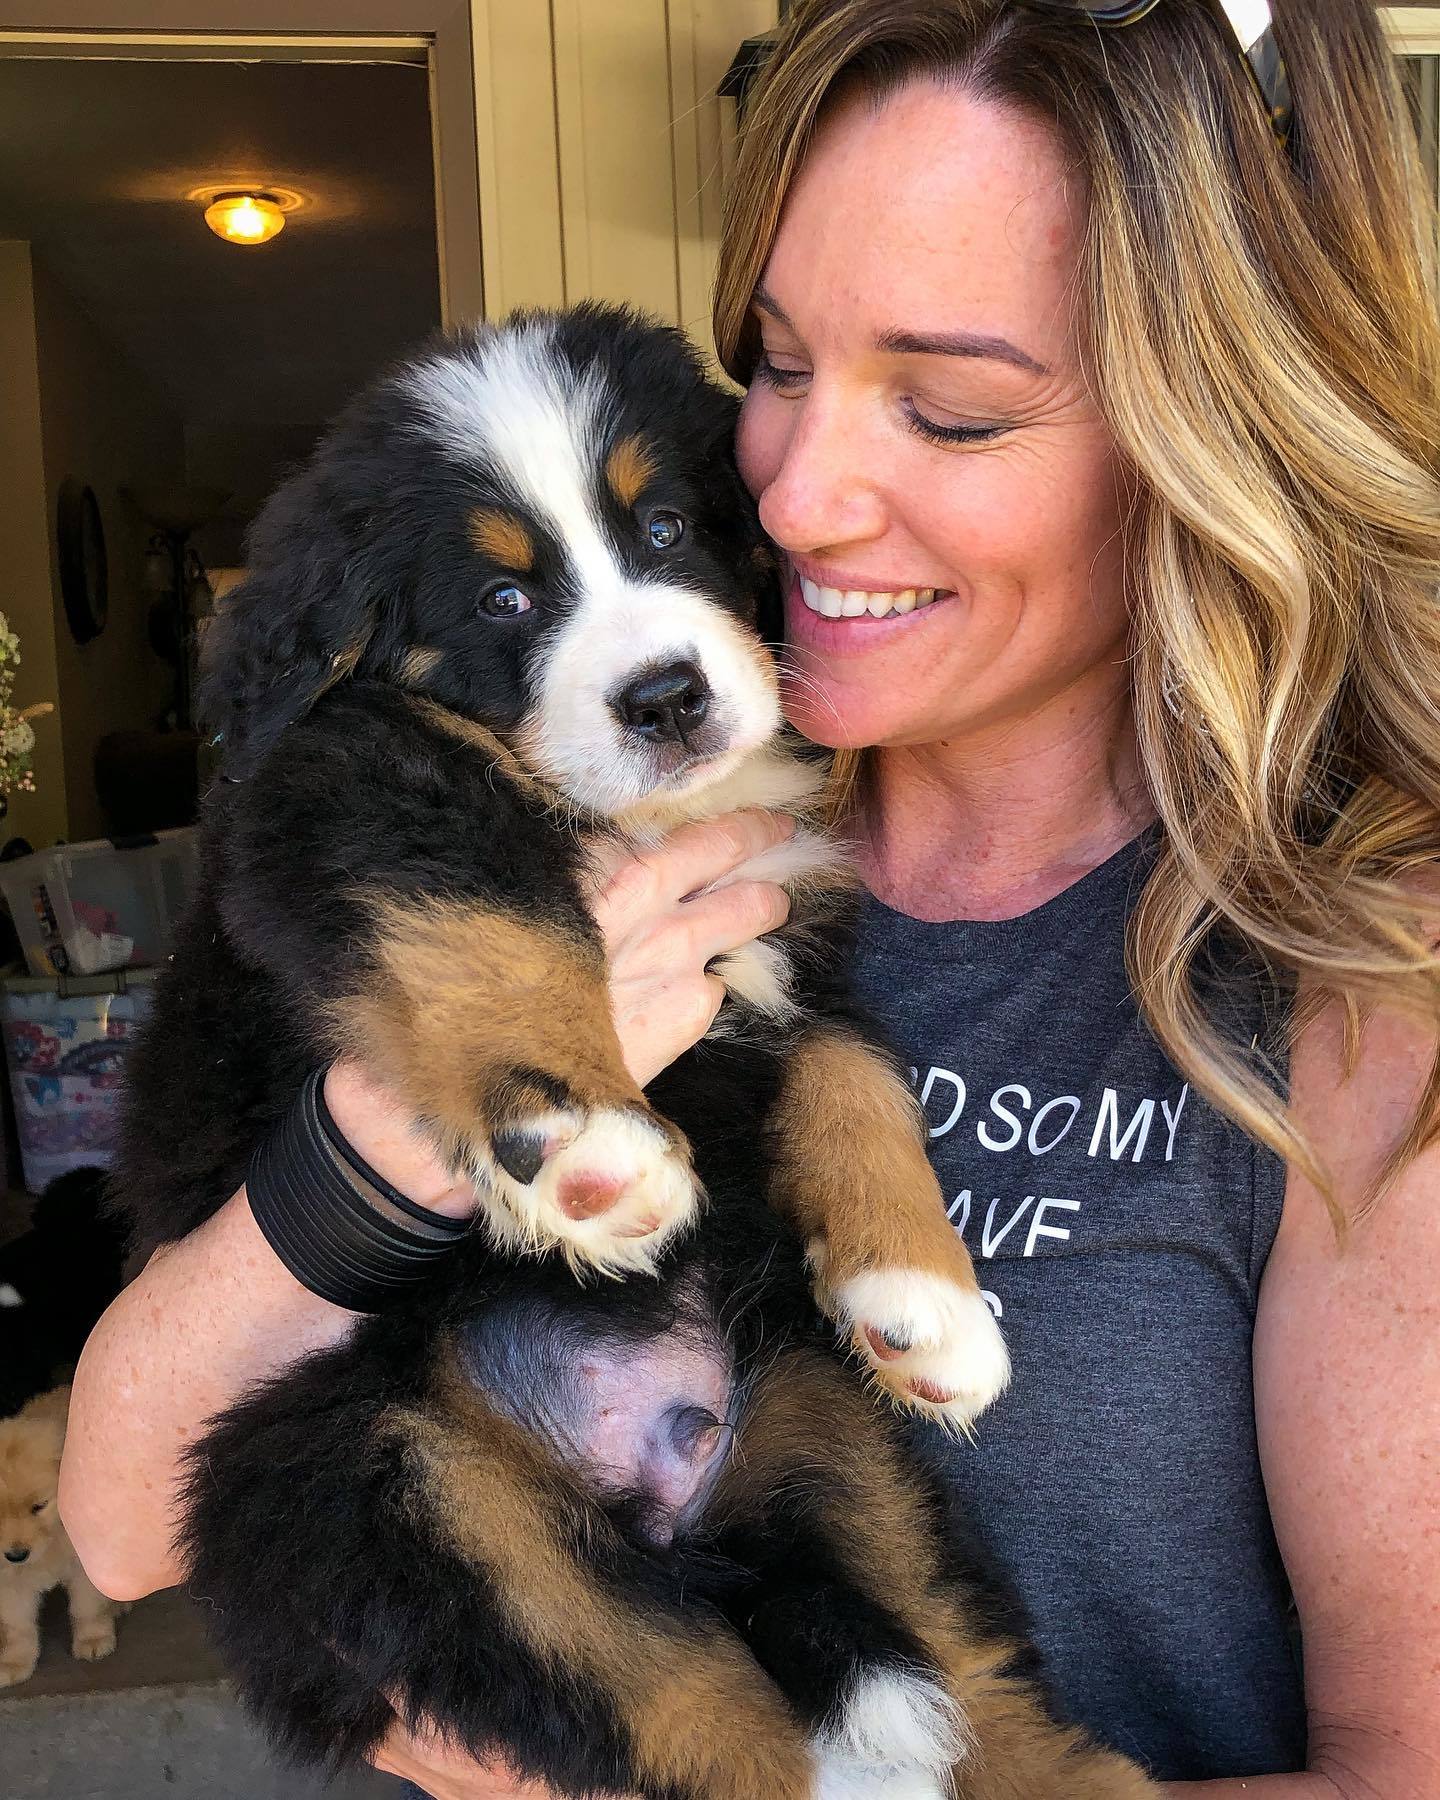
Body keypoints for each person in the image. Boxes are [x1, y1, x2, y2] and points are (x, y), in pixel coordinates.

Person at [59, 0, 1440, 1794]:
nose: (789, 495)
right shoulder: (556, 807)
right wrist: (424, 1121)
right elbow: (121, 1523)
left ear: (1215, 434)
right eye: (778, 366)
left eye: (946, 410)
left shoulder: (1361, 976)